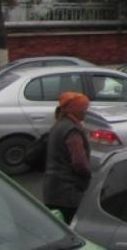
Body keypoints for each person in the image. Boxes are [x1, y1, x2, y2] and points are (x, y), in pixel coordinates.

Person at [43, 91, 92, 223]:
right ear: (75, 110)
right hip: (68, 192)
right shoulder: (72, 130)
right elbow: (79, 163)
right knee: (69, 225)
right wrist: (88, 176)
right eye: (83, 109)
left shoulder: (59, 124)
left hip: (52, 188)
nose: (85, 112)